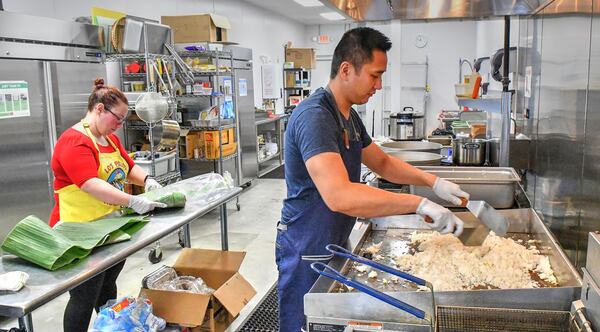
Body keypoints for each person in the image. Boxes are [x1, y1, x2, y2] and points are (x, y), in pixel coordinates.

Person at [276, 27, 470, 331]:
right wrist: (418, 204)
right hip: (307, 245)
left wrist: (434, 183)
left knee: (329, 322)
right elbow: (340, 196)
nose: (378, 86)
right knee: (304, 324)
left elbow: (381, 162)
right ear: (346, 70)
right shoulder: (315, 117)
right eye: (374, 75)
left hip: (333, 239)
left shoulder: (349, 116)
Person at [50, 78, 166, 332]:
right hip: (80, 235)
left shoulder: (109, 139)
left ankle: (109, 327)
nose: (120, 125)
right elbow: (90, 183)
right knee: (84, 295)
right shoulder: (74, 141)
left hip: (109, 230)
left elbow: (128, 166)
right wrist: (132, 200)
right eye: (119, 118)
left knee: (107, 284)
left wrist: (147, 181)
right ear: (100, 109)